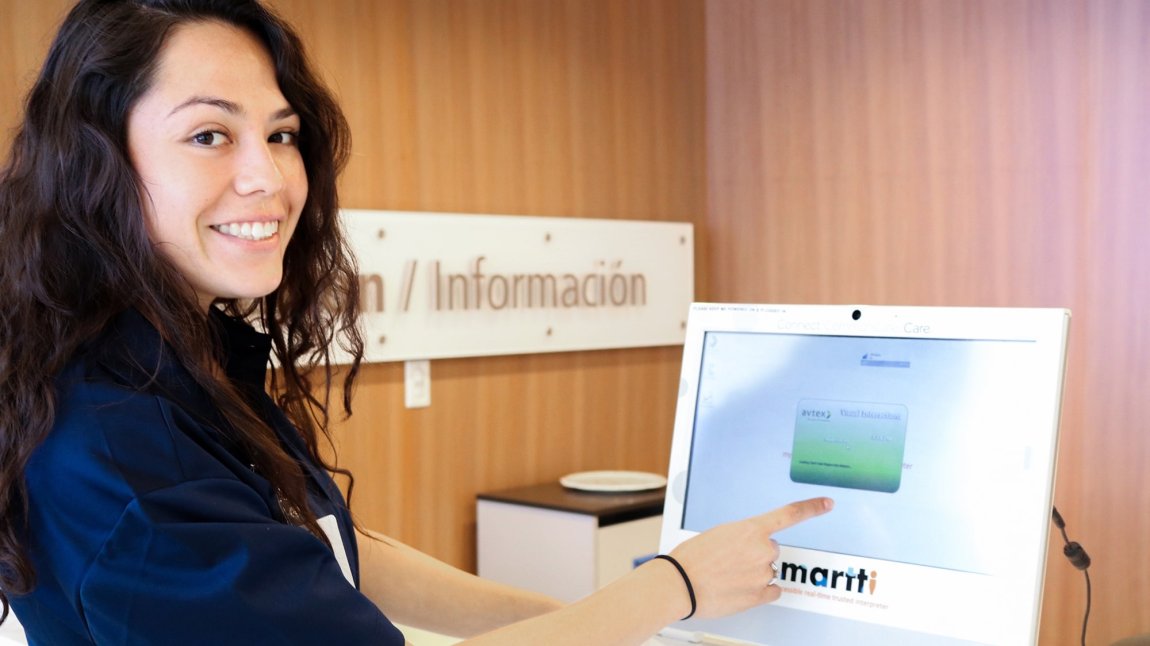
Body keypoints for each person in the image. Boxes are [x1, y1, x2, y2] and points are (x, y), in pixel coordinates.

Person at [0, 0, 833, 643]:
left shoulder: (178, 359)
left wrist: (604, 613)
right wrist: (672, 589)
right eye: (210, 134)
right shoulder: (119, 450)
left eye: (281, 133)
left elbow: (319, 547)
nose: (270, 177)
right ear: (94, 162)